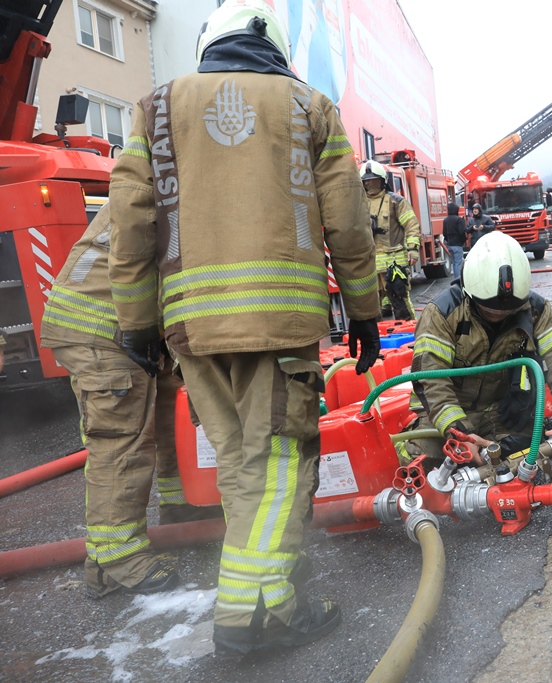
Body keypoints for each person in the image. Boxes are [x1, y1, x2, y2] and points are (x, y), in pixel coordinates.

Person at [107, 0, 381, 657]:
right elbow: (347, 221)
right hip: (279, 326)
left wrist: (136, 322)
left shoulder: (155, 108)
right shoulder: (308, 106)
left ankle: (270, 591)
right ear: (272, 43)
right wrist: (364, 311)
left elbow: (130, 220)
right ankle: (251, 613)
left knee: (238, 463)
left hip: (191, 329)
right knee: (281, 461)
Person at [38, 204, 219, 599]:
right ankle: (118, 560)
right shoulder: (185, 186)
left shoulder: (171, 181)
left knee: (169, 421)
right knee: (121, 442)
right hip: (104, 329)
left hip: (137, 326)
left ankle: (180, 510)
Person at [397, 232, 552, 471]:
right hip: (449, 414)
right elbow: (431, 380)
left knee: (531, 462)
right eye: (489, 310)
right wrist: (459, 432)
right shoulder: (442, 313)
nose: (499, 315)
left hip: (504, 414)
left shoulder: (536, 311)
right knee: (417, 458)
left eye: (507, 311)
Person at [360, 159, 420, 320]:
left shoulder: (396, 201)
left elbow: (412, 225)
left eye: (374, 180)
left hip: (394, 262)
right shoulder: (359, 203)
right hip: (370, 263)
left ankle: (409, 332)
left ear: (383, 180)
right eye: (366, 181)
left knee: (400, 300)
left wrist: (413, 249)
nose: (370, 183)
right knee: (371, 307)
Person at [442, 201, 467, 280]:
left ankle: (458, 278)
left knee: (455, 263)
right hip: (458, 244)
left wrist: (448, 240)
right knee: (458, 263)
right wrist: (463, 240)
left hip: (450, 244)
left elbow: (444, 233)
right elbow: (462, 232)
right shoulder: (459, 220)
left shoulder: (445, 220)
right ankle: (458, 280)